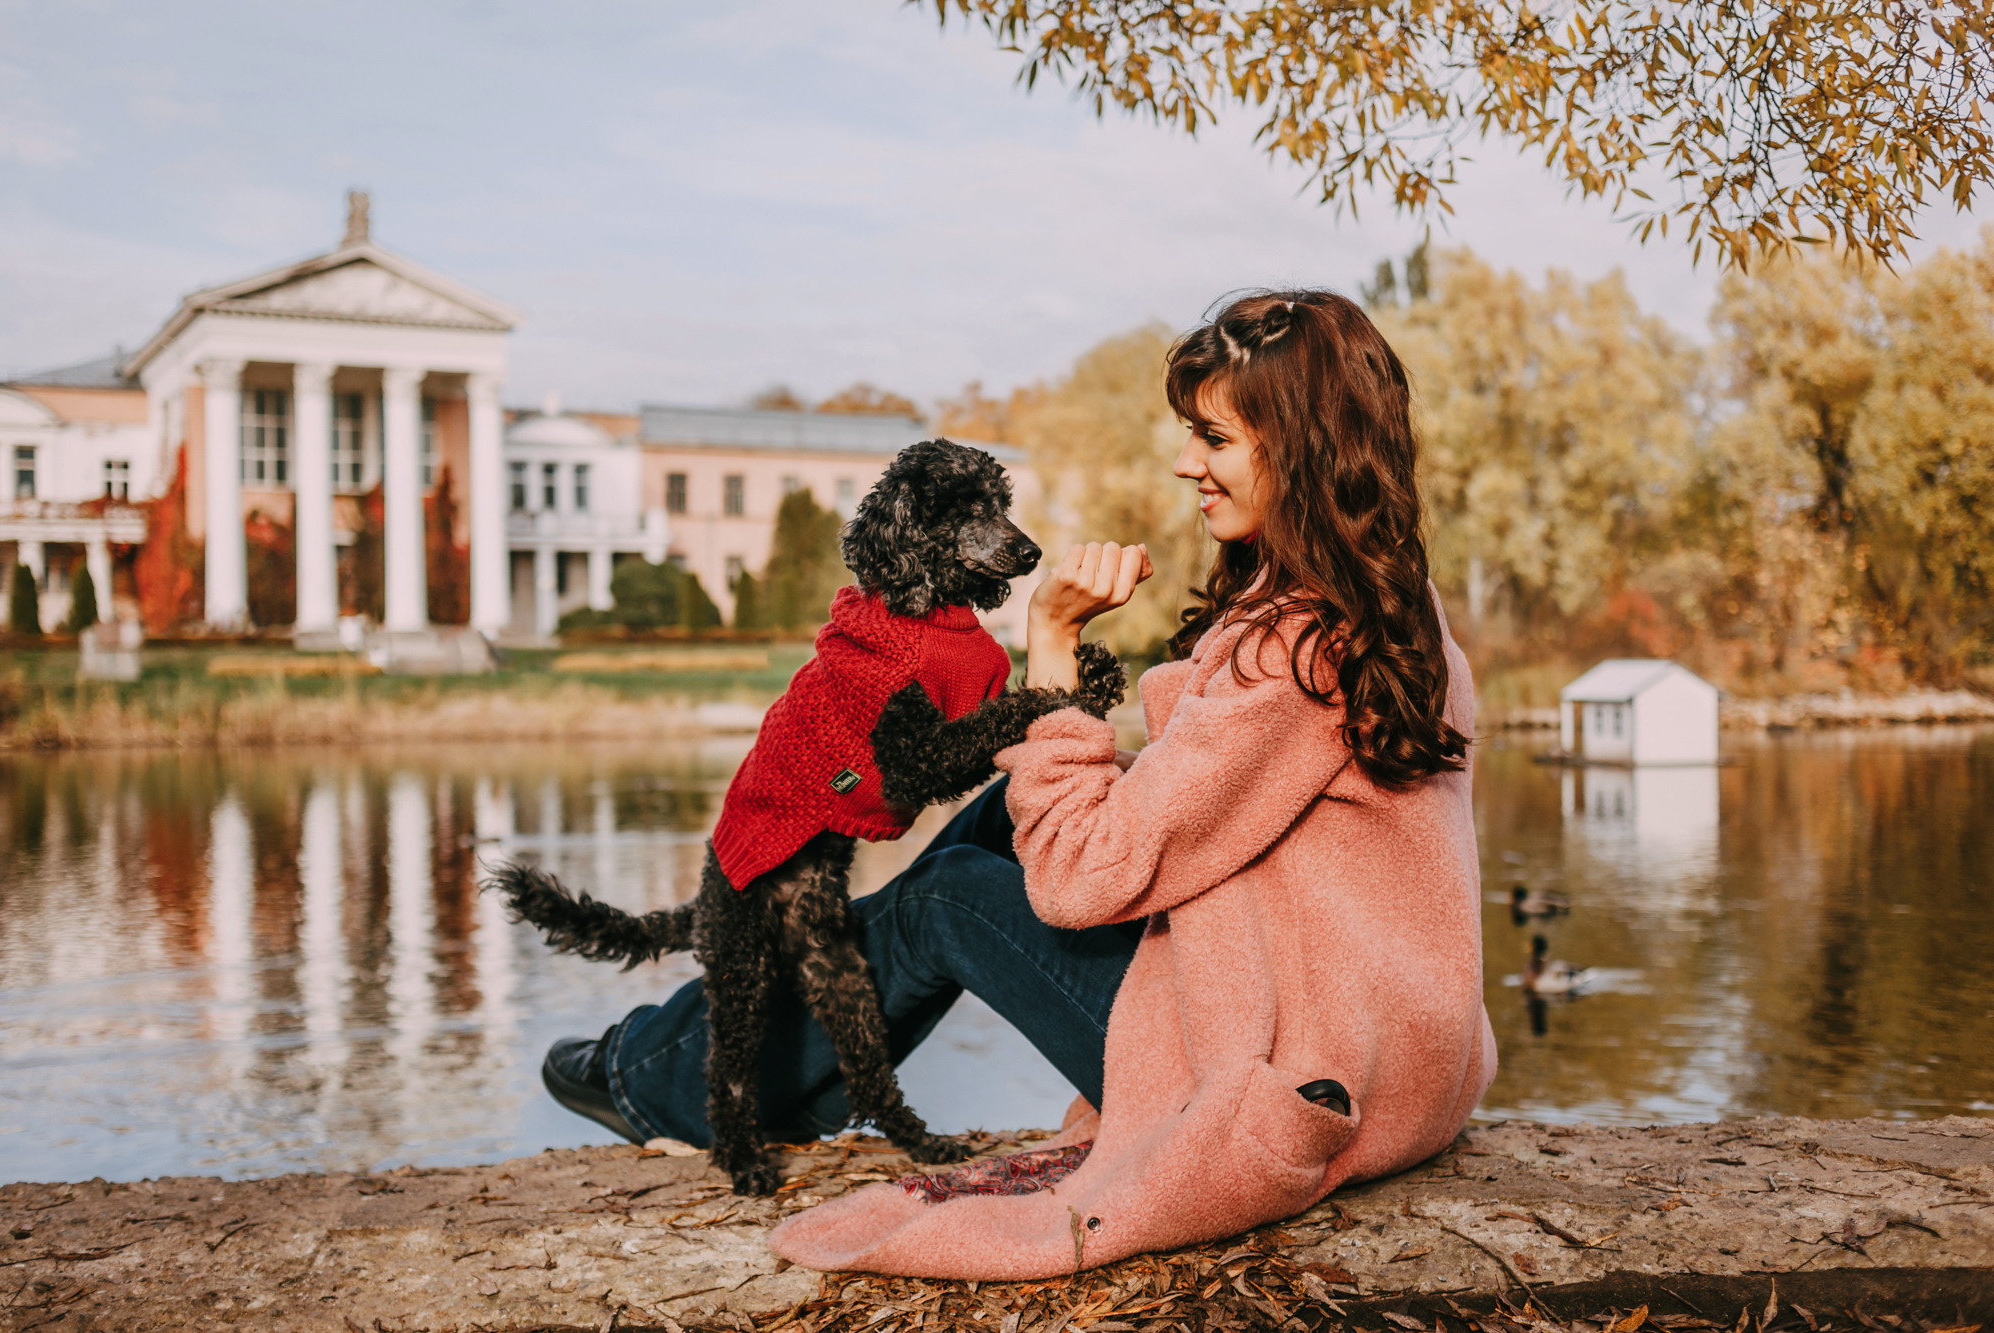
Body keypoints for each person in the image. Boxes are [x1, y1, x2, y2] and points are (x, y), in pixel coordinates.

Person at [543, 289, 1495, 1278]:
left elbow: (1079, 878)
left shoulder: (1290, 651)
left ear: (1298, 447)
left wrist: (1050, 641)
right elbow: (1224, 818)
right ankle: (739, 1067)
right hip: (1396, 1057)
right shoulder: (1385, 611)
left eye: (1212, 436)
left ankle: (673, 1079)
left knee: (944, 901)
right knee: (996, 818)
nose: (1184, 463)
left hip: (1290, 1076)